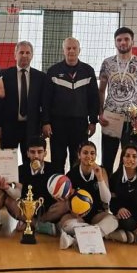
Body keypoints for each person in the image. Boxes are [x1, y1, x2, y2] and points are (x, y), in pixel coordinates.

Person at [99, 27, 137, 178]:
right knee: (107, 160)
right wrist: (100, 113)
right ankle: (106, 191)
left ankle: (130, 190)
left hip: (133, 121)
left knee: (131, 162)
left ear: (132, 41)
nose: (123, 42)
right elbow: (101, 90)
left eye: (126, 39)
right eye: (119, 40)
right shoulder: (107, 63)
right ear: (115, 42)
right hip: (111, 119)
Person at [43, 38, 99, 173]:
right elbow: (45, 100)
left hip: (80, 124)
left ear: (79, 50)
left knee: (78, 161)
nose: (71, 51)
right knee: (58, 161)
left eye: (74, 48)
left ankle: (77, 186)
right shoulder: (53, 71)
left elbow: (94, 98)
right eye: (68, 48)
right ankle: (58, 186)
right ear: (63, 50)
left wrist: (93, 121)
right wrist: (45, 122)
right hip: (57, 124)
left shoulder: (88, 71)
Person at [58, 141, 119, 250]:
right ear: (79, 155)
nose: (89, 156)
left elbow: (106, 199)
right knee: (64, 223)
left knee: (113, 220)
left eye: (92, 153)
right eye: (85, 153)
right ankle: (95, 233)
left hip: (96, 214)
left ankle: (75, 239)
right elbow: (67, 200)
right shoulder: (71, 174)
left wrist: (99, 177)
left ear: (96, 155)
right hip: (78, 216)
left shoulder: (101, 171)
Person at [0, 41, 46, 162]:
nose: (24, 55)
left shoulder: (41, 77)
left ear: (32, 55)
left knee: (30, 163)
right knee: (7, 162)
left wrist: (44, 123)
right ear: (15, 55)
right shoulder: (3, 75)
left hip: (32, 128)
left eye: (28, 53)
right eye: (21, 52)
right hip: (8, 127)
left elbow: (44, 103)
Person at [16, 136, 67, 236]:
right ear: (27, 153)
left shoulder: (55, 169)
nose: (36, 156)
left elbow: (63, 194)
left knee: (65, 205)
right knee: (9, 201)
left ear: (45, 153)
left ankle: (30, 222)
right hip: (27, 209)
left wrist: (61, 196)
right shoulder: (20, 169)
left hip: (48, 210)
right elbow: (17, 194)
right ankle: (37, 225)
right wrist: (7, 188)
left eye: (39, 152)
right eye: (32, 152)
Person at [108, 144, 137, 243]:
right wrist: (119, 209)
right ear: (122, 159)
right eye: (127, 156)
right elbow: (112, 203)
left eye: (134, 156)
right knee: (125, 222)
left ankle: (136, 233)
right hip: (126, 218)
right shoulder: (114, 178)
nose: (131, 159)